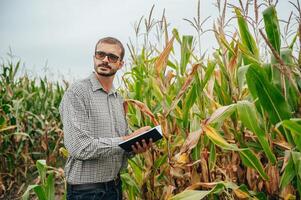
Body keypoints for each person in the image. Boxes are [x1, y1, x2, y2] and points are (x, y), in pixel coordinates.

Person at [59, 37, 153, 200]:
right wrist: (126, 139)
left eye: (112, 57)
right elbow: (80, 147)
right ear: (94, 58)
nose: (105, 60)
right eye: (100, 54)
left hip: (115, 187)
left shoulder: (118, 99)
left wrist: (135, 146)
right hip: (86, 192)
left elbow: (118, 146)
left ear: (120, 64)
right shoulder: (77, 93)